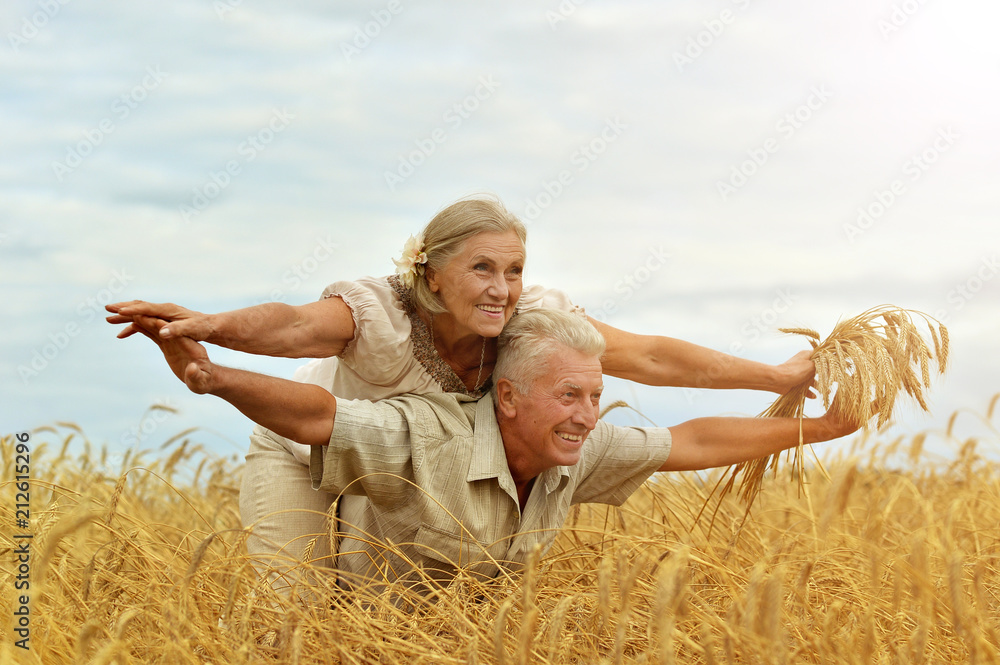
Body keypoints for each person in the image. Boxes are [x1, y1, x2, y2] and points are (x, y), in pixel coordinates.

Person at [106, 195, 815, 584]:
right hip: (302, 447)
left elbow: (649, 357)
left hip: (400, 465)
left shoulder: (529, 319)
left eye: (513, 268)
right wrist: (211, 329)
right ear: (432, 273)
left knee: (394, 603)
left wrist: (776, 376)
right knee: (295, 613)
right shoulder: (379, 312)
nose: (502, 288)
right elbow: (291, 326)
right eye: (482, 268)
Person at [125, 308, 860, 592]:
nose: (587, 414)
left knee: (435, 601)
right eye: (568, 397)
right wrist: (209, 369)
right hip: (321, 440)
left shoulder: (548, 349)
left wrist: (807, 411)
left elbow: (686, 431)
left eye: (593, 397)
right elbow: (314, 404)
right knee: (307, 613)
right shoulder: (410, 374)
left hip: (398, 458)